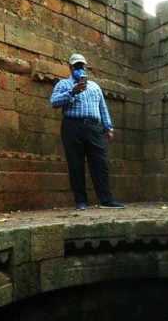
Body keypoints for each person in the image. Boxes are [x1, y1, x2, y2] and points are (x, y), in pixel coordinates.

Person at [50, 53, 125, 210]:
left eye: (81, 66)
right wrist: (72, 92)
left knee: (100, 164)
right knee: (75, 165)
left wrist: (108, 128)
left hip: (94, 127)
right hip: (72, 126)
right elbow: (53, 102)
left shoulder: (95, 86)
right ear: (70, 68)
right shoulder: (64, 84)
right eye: (76, 66)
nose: (79, 69)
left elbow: (102, 108)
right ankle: (81, 201)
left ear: (86, 67)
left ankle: (106, 199)